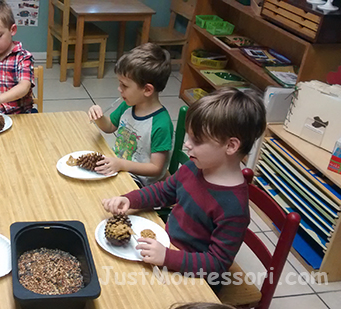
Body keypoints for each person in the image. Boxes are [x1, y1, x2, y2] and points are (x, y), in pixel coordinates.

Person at [102, 88, 266, 292]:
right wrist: (130, 200)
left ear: (231, 146)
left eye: (196, 140)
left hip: (197, 280)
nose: (187, 145)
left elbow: (217, 264)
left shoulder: (234, 208)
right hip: (167, 247)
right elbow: (163, 192)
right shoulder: (193, 167)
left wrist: (167, 257)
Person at [88, 43, 173, 187]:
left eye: (124, 86)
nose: (119, 89)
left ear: (147, 90)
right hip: (121, 170)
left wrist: (121, 164)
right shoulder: (128, 105)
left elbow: (156, 168)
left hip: (141, 183)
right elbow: (109, 127)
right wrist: (99, 117)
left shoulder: (161, 124)